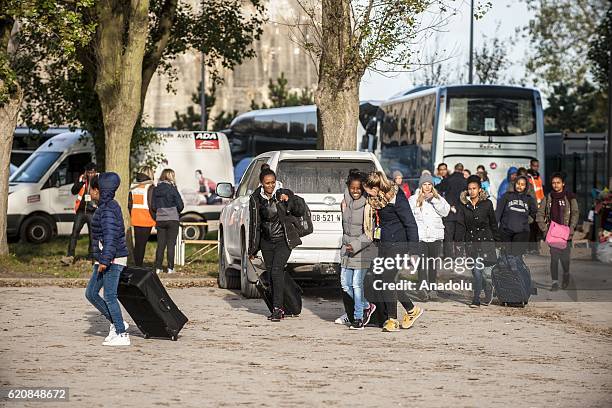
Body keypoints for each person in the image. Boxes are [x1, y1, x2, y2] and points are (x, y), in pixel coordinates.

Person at [363, 171, 423, 332]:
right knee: (386, 280)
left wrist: (414, 250)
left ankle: (392, 319)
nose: (367, 194)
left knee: (388, 279)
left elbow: (410, 223)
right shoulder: (375, 199)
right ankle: (411, 310)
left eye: (368, 190)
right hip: (385, 244)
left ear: (377, 187)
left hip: (399, 244)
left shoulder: (396, 197)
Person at [248, 164, 306, 322]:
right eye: (267, 183)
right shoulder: (255, 199)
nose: (271, 185)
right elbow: (255, 224)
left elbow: (299, 210)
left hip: (283, 240)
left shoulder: (282, 194)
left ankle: (277, 309)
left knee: (276, 271)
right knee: (273, 275)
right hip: (267, 242)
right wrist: (252, 248)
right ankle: (280, 304)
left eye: (273, 182)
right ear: (261, 183)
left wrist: (289, 201)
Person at [85, 173, 130, 346]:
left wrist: (105, 261)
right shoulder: (104, 207)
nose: (89, 192)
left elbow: (111, 237)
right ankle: (117, 322)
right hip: (104, 258)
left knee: (110, 296)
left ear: (98, 190)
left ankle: (121, 333)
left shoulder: (108, 208)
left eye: (91, 189)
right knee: (91, 293)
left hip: (112, 259)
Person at [338, 170, 377, 330]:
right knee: (345, 284)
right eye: (352, 188)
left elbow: (369, 233)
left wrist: (354, 246)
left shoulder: (368, 205)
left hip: (362, 250)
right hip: (346, 250)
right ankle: (367, 305)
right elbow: (345, 229)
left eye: (358, 188)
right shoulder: (345, 202)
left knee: (356, 284)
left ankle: (358, 318)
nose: (355, 191)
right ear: (348, 187)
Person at [456, 175, 500, 308]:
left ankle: (488, 290)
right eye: (469, 189)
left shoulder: (487, 204)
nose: (472, 191)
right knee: (476, 271)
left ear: (480, 189)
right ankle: (476, 298)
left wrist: (498, 241)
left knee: (486, 274)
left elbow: (493, 223)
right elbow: (461, 225)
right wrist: (458, 242)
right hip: (471, 242)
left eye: (474, 188)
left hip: (486, 241)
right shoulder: (464, 206)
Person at [409, 172, 450, 301]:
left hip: (435, 236)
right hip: (421, 237)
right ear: (421, 186)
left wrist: (433, 200)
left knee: (432, 263)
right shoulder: (413, 199)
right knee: (422, 264)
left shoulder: (438, 199)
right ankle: (422, 289)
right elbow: (409, 218)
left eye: (429, 184)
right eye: (424, 184)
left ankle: (432, 288)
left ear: (432, 186)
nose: (427, 187)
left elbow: (445, 212)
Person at [536, 173, 579, 291]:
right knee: (554, 258)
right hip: (553, 233)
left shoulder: (570, 197)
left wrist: (571, 228)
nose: (555, 185)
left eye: (558, 182)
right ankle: (554, 282)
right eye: (553, 183)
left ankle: (566, 274)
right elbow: (539, 214)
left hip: (566, 233)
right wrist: (545, 230)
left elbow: (575, 213)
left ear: (563, 183)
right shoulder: (549, 197)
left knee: (565, 258)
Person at [61, 162, 98, 265]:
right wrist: (81, 182)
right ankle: (70, 255)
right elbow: (74, 191)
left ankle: (92, 256)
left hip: (92, 211)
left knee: (93, 235)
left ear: (95, 172)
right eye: (89, 173)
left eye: (92, 173)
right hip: (81, 211)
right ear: (85, 172)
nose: (90, 175)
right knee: (74, 233)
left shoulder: (98, 180)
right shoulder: (81, 178)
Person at [496, 175, 537, 257]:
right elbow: (498, 212)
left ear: (526, 186)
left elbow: (534, 213)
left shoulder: (529, 199)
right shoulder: (507, 196)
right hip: (506, 231)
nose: (520, 186)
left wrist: (524, 222)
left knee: (517, 258)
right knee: (506, 256)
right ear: (515, 184)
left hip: (522, 233)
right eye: (518, 183)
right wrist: (495, 228)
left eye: (522, 184)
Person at [152, 169, 184, 274]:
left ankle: (158, 268)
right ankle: (170, 268)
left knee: (160, 245)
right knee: (171, 244)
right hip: (172, 219)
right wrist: (175, 211)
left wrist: (160, 212)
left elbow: (153, 206)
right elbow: (180, 205)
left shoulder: (156, 189)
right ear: (171, 176)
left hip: (160, 219)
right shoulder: (172, 189)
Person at [437, 163, 468, 258]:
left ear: (454, 169)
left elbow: (438, 188)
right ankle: (459, 256)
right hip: (461, 212)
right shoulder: (465, 182)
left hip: (449, 210)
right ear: (462, 170)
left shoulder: (448, 180)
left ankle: (448, 255)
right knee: (459, 236)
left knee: (448, 235)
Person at [128, 166, 156, 267]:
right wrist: (155, 217)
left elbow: (130, 203)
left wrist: (133, 214)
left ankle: (137, 265)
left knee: (138, 244)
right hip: (147, 219)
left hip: (135, 218)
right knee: (142, 245)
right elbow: (153, 204)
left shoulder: (133, 185)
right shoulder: (150, 187)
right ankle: (138, 266)